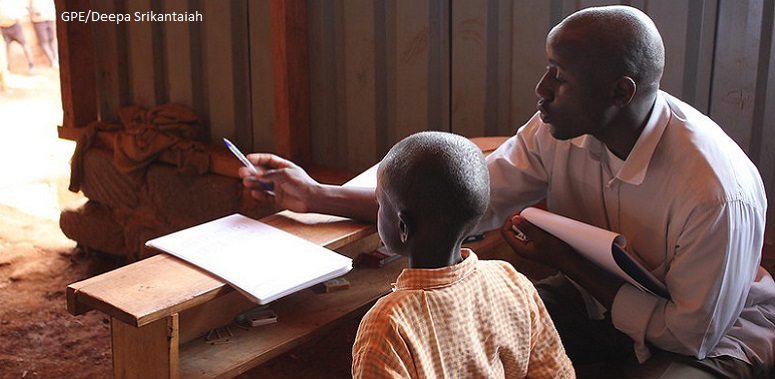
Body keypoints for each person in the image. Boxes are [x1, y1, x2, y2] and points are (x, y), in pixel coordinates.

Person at [240, 5, 774, 378]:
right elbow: (469, 199)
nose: (541, 91)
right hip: (597, 304)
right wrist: (314, 196)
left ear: (620, 92)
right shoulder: (559, 127)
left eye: (559, 77)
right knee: (480, 326)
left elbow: (688, 336)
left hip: (714, 336)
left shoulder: (714, 192)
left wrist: (565, 259)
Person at [350, 131, 573, 378]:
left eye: (380, 203)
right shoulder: (511, 282)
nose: (378, 209)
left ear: (404, 227)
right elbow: (555, 373)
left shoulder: (389, 324)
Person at [0, 0, 35, 72]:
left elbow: (22, 10)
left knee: (25, 45)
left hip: (15, 26)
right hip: (3, 28)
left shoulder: (12, 2)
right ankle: (7, 67)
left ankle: (31, 64)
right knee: (6, 48)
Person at [28, 0, 57, 68]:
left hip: (50, 18)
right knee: (44, 42)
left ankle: (56, 59)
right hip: (39, 20)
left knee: (52, 40)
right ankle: (52, 60)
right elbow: (29, 8)